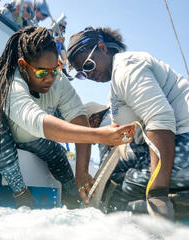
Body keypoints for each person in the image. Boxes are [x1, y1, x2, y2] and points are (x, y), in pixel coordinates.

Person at [0, 26, 134, 209]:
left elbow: (78, 117)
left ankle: (76, 200)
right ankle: (21, 193)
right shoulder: (10, 81)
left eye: (54, 71)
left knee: (56, 153)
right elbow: (36, 120)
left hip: (17, 131)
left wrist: (82, 171)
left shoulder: (57, 80)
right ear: (23, 66)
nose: (49, 78)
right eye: (41, 73)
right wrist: (99, 135)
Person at [68, 26, 189, 219]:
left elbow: (160, 119)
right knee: (117, 177)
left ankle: (176, 208)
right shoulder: (115, 84)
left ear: (102, 48)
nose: (88, 75)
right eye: (82, 73)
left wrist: (158, 192)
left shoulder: (127, 68)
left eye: (88, 66)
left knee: (127, 187)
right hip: (174, 138)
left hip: (184, 138)